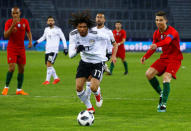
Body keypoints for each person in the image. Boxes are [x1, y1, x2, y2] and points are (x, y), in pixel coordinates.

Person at [68, 12, 117, 113]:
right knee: (78, 88)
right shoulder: (73, 34)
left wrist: (109, 54)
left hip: (97, 62)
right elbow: (70, 55)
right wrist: (77, 50)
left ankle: (97, 94)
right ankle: (89, 107)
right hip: (84, 62)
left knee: (93, 87)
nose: (82, 29)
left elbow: (111, 42)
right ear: (77, 26)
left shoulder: (96, 34)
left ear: (88, 27)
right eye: (80, 27)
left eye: (84, 27)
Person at [140, 11, 183, 112]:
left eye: (160, 20)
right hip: (164, 58)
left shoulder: (173, 32)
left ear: (166, 20)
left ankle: (163, 103)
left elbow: (167, 41)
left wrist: (157, 45)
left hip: (175, 59)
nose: (158, 22)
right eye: (156, 20)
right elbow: (153, 48)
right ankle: (161, 93)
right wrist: (145, 56)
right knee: (148, 74)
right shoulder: (156, 33)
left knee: (166, 77)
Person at [85, 12, 118, 103]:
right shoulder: (91, 30)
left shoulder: (108, 32)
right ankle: (87, 99)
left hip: (100, 58)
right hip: (90, 57)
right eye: (97, 17)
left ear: (104, 20)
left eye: (101, 17)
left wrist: (113, 56)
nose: (99, 19)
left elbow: (115, 44)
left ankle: (97, 94)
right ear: (95, 19)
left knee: (93, 84)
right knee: (88, 79)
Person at [2, 7, 32, 95]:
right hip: (12, 48)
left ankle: (19, 90)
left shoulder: (25, 22)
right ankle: (6, 88)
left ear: (20, 13)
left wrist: (30, 41)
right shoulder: (8, 22)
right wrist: (12, 26)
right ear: (11, 14)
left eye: (17, 13)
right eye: (13, 13)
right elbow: (5, 36)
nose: (15, 14)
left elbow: (28, 32)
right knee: (11, 67)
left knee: (21, 69)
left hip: (21, 48)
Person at [34, 16, 68, 85]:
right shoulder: (46, 29)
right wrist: (37, 42)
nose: (50, 22)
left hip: (54, 50)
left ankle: (47, 81)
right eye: (49, 20)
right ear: (47, 22)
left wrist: (65, 48)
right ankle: (56, 78)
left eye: (52, 20)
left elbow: (63, 38)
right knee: (47, 64)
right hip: (47, 50)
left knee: (49, 63)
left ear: (54, 22)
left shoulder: (58, 29)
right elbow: (43, 37)